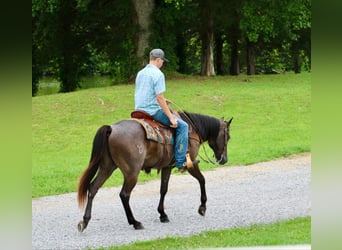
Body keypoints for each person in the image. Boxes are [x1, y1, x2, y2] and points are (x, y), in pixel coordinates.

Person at [134, 48, 197, 171]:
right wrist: (171, 118)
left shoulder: (140, 73)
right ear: (158, 60)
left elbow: (146, 92)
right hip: (152, 111)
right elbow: (159, 97)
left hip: (138, 109)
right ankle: (180, 161)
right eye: (162, 61)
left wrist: (163, 99)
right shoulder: (158, 74)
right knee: (183, 126)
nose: (162, 64)